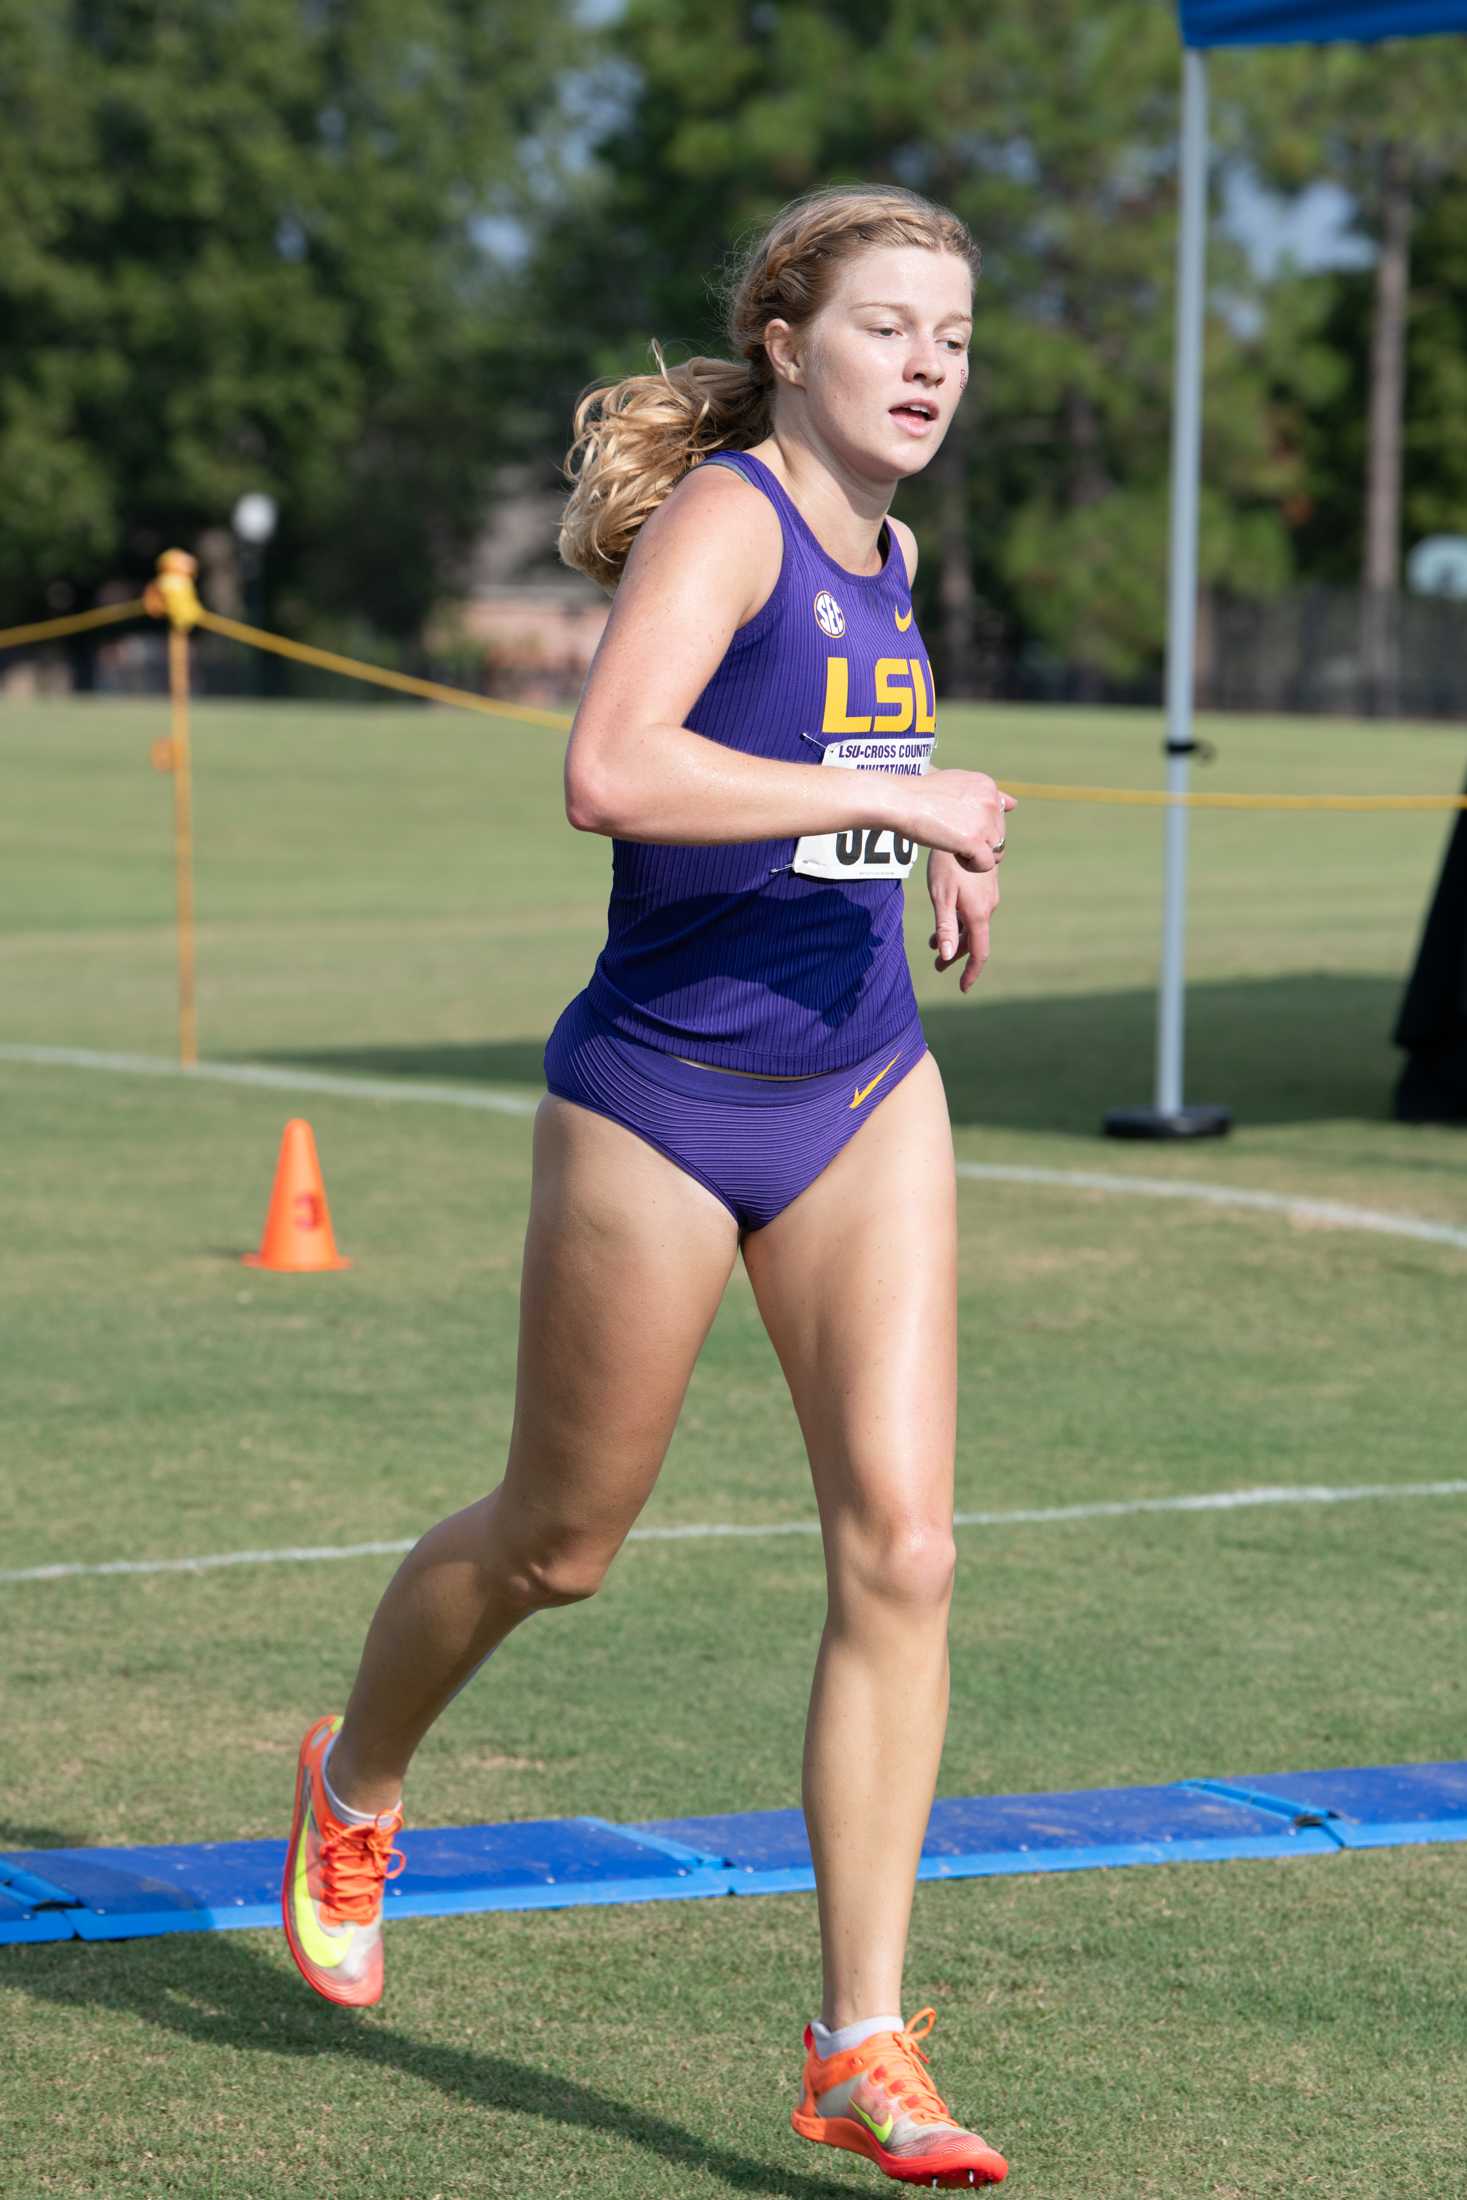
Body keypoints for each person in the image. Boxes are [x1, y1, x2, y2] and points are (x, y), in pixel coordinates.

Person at [282, 181, 1013, 2190]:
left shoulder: (890, 545)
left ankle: (859, 2036)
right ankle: (354, 1782)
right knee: (557, 1541)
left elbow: (826, 775)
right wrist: (893, 792)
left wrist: (929, 843)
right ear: (787, 340)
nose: (928, 362)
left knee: (906, 1549)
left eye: (951, 331)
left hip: (861, 1085)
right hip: (660, 1100)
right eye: (886, 325)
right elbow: (613, 768)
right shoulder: (730, 522)